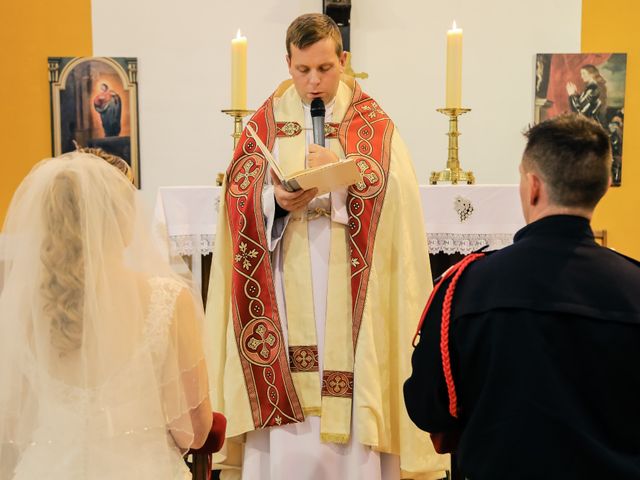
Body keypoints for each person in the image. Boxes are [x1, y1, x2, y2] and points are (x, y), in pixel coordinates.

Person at [206, 12, 447, 480]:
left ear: (344, 60)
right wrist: (274, 202)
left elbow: (398, 198)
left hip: (352, 296)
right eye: (302, 70)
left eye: (325, 69)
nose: (314, 82)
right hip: (283, 286)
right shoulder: (266, 122)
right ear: (288, 63)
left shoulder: (373, 124)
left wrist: (344, 176)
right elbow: (237, 201)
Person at [404, 114, 640, 479]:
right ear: (606, 185)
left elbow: (427, 408)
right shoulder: (633, 286)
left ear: (532, 186)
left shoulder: (464, 287)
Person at [0, 152, 225, 479]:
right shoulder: (168, 300)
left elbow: (13, 424)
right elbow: (194, 432)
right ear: (123, 220)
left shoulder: (23, 309)